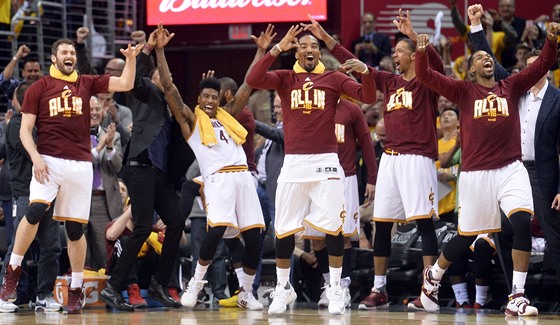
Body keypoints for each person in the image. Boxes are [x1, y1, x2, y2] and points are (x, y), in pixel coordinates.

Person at [413, 4, 559, 315]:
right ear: (471, 69)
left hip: (510, 168)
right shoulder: (463, 91)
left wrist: (552, 40)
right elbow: (425, 75)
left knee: (521, 222)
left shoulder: (511, 86)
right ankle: (434, 276)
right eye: (480, 58)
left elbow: (544, 63)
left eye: (489, 56)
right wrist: (421, 51)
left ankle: (517, 295)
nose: (487, 58)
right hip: (476, 174)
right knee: (466, 236)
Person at [303, 11, 441, 311]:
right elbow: (354, 61)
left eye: (400, 51)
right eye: (395, 51)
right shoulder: (390, 81)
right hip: (391, 157)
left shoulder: (428, 82)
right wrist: (325, 38)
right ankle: (380, 290)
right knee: (381, 224)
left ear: (412, 56)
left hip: (418, 157)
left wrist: (415, 38)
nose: (395, 54)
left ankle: (429, 292)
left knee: (424, 223)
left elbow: (436, 63)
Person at [0, 38, 142, 314]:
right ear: (54, 59)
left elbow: (125, 83)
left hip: (80, 163)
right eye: (64, 52)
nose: (69, 55)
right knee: (35, 210)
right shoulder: (39, 87)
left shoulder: (87, 82)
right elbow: (24, 131)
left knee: (75, 229)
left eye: (72, 52)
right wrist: (36, 158)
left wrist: (133, 58)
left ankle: (76, 288)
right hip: (48, 161)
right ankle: (13, 270)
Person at [246, 24, 377, 315]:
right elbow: (253, 78)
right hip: (294, 164)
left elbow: (368, 97)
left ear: (319, 51)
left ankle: (334, 288)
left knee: (333, 230)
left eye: (314, 46)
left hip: (327, 162)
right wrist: (275, 48)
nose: (309, 49)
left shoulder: (333, 78)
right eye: (303, 45)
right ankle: (283, 288)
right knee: (283, 230)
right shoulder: (285, 78)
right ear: (296, 50)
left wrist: (366, 73)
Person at [153, 23, 267, 310]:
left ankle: (246, 292)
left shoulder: (228, 115)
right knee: (215, 232)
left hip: (243, 178)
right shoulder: (191, 122)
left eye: (214, 97)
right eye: (205, 97)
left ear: (219, 100)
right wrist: (160, 50)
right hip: (217, 180)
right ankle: (195, 284)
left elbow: (247, 85)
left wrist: (261, 52)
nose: (209, 101)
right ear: (199, 99)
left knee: (254, 238)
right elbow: (169, 86)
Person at [469, 4, 560, 293]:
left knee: (555, 236)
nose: (531, 70)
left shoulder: (557, 99)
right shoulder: (512, 89)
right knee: (502, 234)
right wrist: (476, 26)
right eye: (527, 66)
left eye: (537, 66)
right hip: (512, 171)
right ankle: (513, 293)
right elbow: (487, 59)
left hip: (545, 176)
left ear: (544, 68)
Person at [99, 29, 192, 311]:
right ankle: (114, 287)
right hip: (140, 168)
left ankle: (159, 283)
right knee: (140, 229)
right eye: (162, 77)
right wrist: (149, 49)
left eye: (171, 79)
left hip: (161, 175)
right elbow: (138, 76)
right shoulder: (145, 93)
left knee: (176, 222)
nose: (167, 80)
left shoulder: (171, 106)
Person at [0, 81, 62, 313]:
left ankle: (44, 295)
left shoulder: (45, 122)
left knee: (52, 246)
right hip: (25, 193)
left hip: (49, 191)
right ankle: (5, 295)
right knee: (18, 245)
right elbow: (35, 150)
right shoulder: (15, 123)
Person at [85, 96, 123, 271]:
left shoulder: (113, 136)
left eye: (97, 109)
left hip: (103, 201)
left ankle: (105, 293)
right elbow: (81, 162)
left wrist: (108, 147)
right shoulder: (73, 136)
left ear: (103, 112)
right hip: (80, 200)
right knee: (82, 252)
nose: (94, 113)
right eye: (90, 109)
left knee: (103, 252)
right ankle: (80, 293)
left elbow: (117, 166)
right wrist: (99, 147)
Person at [0, 45, 42, 109]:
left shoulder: (46, 88)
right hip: (17, 118)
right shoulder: (16, 86)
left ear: (41, 73)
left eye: (36, 71)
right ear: (23, 73)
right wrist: (17, 56)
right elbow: (3, 80)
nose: (33, 74)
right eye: (30, 71)